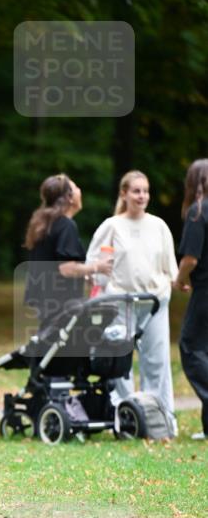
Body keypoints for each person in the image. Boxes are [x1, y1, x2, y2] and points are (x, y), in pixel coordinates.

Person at [86, 170, 178, 426]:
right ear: (124, 194)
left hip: (154, 302)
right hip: (119, 302)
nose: (142, 196)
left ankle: (160, 418)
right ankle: (124, 417)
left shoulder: (159, 226)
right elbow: (93, 265)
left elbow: (169, 269)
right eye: (136, 191)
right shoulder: (112, 226)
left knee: (157, 362)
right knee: (119, 363)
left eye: (145, 191)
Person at [23, 173, 113, 329]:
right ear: (69, 198)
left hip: (46, 302)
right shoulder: (66, 225)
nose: (80, 190)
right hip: (61, 304)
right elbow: (66, 268)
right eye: (76, 187)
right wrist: (98, 267)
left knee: (50, 347)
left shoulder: (44, 224)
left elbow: (51, 265)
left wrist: (83, 275)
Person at [174, 159, 208, 441]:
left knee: (190, 347)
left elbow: (190, 259)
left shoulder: (198, 212)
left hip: (205, 291)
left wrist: (180, 279)